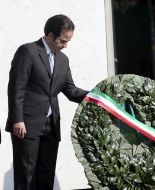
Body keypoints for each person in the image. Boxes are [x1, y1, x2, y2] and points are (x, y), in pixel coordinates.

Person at [6, 14, 88, 190]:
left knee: (46, 177)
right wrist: (17, 119)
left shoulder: (63, 59)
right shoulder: (27, 51)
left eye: (68, 42)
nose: (65, 46)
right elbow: (16, 88)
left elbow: (71, 91)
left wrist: (97, 97)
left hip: (51, 126)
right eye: (62, 41)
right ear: (50, 35)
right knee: (26, 178)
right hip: (26, 125)